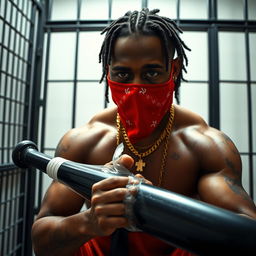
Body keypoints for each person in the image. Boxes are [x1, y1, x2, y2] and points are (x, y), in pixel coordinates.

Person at [32, 8, 256, 256]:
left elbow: (246, 234)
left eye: (151, 72)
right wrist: (89, 222)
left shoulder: (205, 145)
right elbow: (42, 243)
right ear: (108, 72)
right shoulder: (84, 140)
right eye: (122, 74)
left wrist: (157, 210)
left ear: (174, 69)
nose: (136, 87)